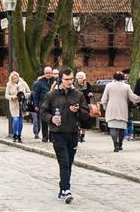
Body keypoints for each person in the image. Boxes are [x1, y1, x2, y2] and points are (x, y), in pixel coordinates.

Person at [42, 68, 91, 204]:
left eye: (71, 79)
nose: (69, 81)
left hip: (73, 133)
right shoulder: (52, 95)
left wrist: (78, 110)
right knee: (63, 162)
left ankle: (62, 189)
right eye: (66, 79)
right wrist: (51, 118)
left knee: (68, 163)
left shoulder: (78, 95)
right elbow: (43, 112)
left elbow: (86, 114)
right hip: (58, 133)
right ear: (61, 79)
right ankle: (66, 190)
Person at [101, 71, 140, 152]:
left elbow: (104, 99)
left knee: (113, 128)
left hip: (111, 109)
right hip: (123, 109)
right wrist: (139, 98)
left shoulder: (108, 86)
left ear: (114, 77)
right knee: (121, 128)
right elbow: (132, 97)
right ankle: (120, 145)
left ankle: (115, 144)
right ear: (123, 78)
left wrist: (105, 106)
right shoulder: (126, 86)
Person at [5, 71, 31, 142]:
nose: (15, 80)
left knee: (21, 120)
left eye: (16, 78)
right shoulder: (9, 85)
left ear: (18, 77)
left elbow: (29, 92)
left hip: (22, 104)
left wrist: (23, 96)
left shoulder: (23, 83)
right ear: (11, 79)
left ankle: (19, 135)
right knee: (15, 119)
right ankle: (15, 134)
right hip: (14, 105)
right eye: (13, 79)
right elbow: (6, 95)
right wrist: (13, 97)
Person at [30, 66, 51, 141]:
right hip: (43, 104)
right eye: (47, 73)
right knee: (44, 121)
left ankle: (51, 137)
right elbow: (36, 95)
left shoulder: (54, 82)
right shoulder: (40, 83)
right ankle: (45, 137)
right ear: (44, 73)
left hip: (53, 104)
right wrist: (35, 105)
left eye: (49, 73)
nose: (48, 74)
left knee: (52, 121)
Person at [74, 71, 95, 142]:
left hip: (85, 105)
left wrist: (90, 94)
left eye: (82, 78)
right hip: (76, 104)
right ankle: (78, 134)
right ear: (77, 78)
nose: (80, 79)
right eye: (79, 78)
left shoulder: (87, 84)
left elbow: (91, 91)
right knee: (76, 120)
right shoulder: (73, 85)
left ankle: (83, 135)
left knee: (85, 121)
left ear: (84, 78)